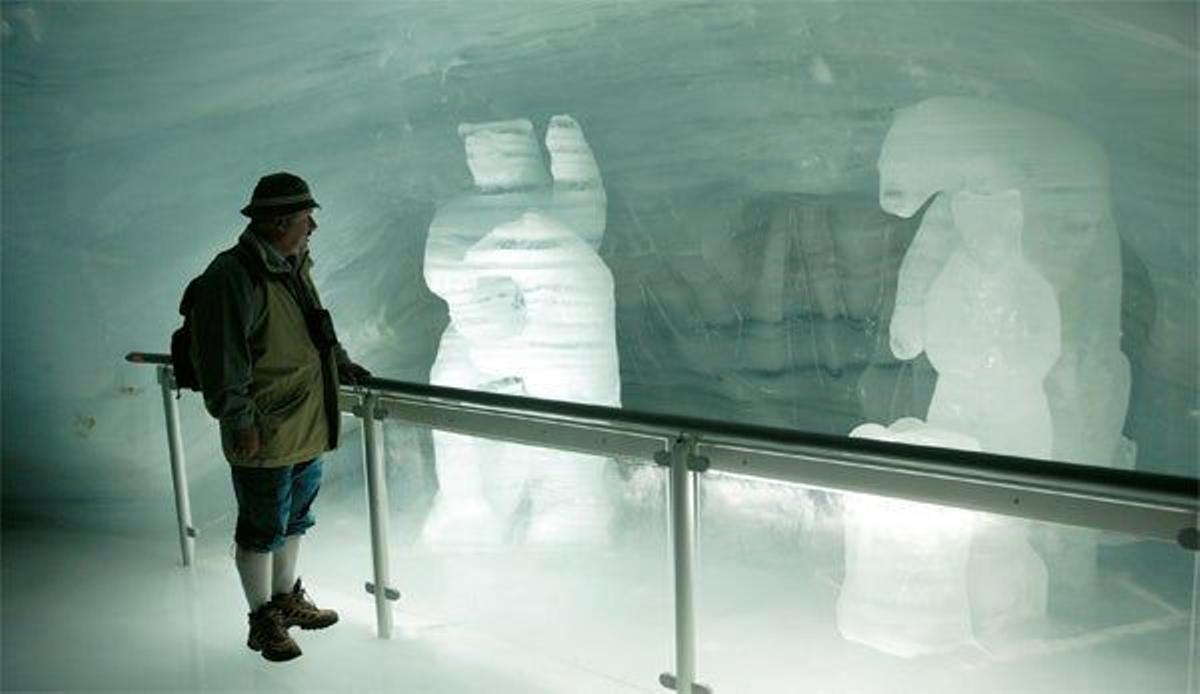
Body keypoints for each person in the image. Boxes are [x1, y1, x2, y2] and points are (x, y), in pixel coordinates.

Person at [190, 172, 370, 662]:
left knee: (294, 519)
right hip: (266, 426)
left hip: (304, 421)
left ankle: (287, 601)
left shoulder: (292, 264)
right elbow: (222, 356)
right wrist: (239, 419)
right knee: (261, 527)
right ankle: (261, 619)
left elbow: (314, 328)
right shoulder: (233, 275)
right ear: (278, 222)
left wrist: (340, 362)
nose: (313, 225)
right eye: (305, 217)